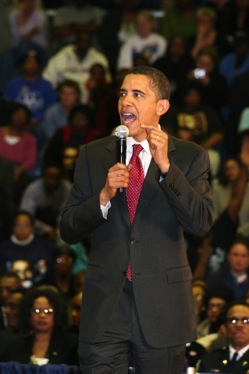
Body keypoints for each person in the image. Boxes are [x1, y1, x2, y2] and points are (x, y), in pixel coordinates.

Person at [59, 65, 214, 373]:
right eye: (123, 93)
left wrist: (168, 168)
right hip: (105, 306)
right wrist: (103, 195)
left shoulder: (189, 156)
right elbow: (68, 227)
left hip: (162, 306)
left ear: (161, 106)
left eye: (137, 94)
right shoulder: (94, 154)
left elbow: (201, 222)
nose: (125, 102)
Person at [1, 286, 79, 366]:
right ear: (28, 314)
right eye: (37, 311)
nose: (42, 315)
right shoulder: (15, 347)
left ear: (57, 314)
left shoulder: (72, 345)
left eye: (48, 311)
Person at [197, 300, 249, 373]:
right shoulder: (210, 359)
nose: (239, 325)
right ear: (225, 326)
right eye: (233, 320)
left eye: (246, 320)